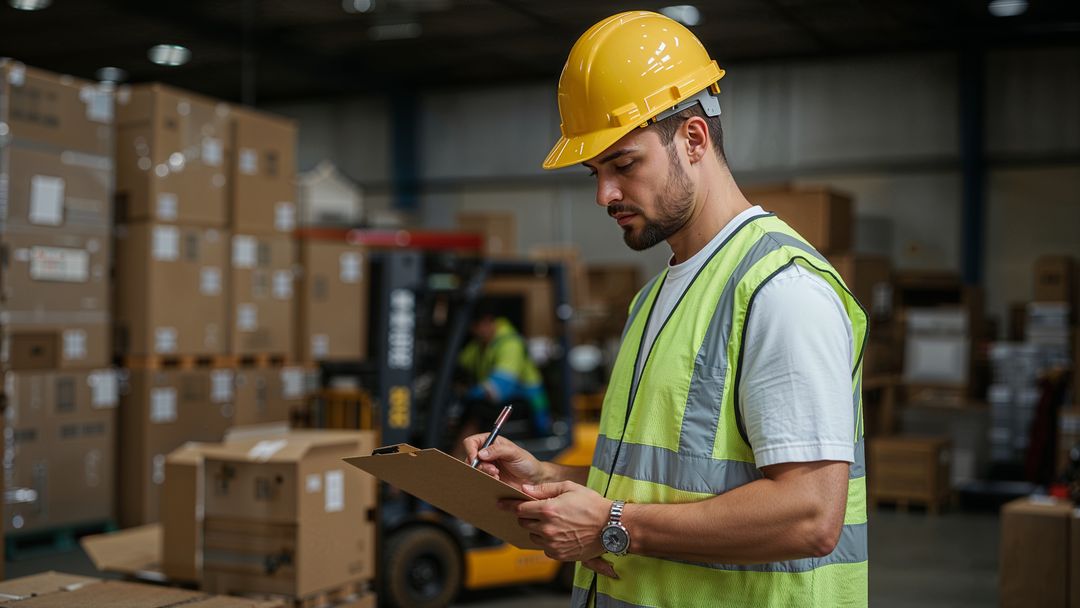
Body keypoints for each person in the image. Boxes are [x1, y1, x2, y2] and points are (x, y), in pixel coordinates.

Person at [464, 10, 868, 608]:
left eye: (624, 164)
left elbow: (809, 516)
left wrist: (610, 524)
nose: (605, 194)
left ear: (694, 139)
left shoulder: (782, 291)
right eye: (595, 172)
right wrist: (549, 478)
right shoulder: (654, 299)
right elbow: (664, 487)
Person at [456, 300, 552, 443]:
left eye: (475, 327)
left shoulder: (510, 343)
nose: (473, 332)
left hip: (528, 402)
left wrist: (469, 393)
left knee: (476, 411)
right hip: (508, 400)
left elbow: (499, 388)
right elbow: (460, 362)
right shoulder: (480, 345)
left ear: (487, 322)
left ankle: (460, 456)